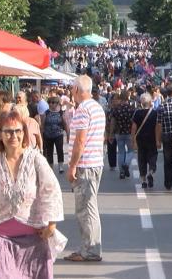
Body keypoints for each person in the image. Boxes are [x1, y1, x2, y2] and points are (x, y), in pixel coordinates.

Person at [0, 110, 65, 278]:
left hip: (34, 238)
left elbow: (51, 190)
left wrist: (52, 225)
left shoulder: (35, 159)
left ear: (24, 133)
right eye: (8, 131)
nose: (14, 136)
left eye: (18, 131)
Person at [64, 75, 105, 262]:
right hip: (95, 162)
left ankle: (90, 250)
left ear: (76, 90)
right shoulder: (97, 107)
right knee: (90, 207)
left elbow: (80, 140)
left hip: (85, 164)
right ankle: (90, 247)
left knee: (85, 209)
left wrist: (72, 166)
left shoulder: (83, 110)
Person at [132, 92, 158, 189]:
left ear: (141, 103)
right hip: (152, 139)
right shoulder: (154, 113)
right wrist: (158, 140)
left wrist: (133, 140)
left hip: (140, 140)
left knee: (141, 159)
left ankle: (143, 180)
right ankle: (151, 172)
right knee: (153, 156)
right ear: (150, 102)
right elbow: (157, 128)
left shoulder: (137, 113)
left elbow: (134, 128)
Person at [111, 89, 136, 179]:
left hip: (119, 133)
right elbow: (134, 123)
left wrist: (111, 133)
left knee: (121, 152)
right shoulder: (131, 109)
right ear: (127, 98)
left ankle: (121, 172)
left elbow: (113, 122)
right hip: (129, 132)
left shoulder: (116, 109)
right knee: (131, 150)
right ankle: (126, 164)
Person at [42, 96, 69, 173]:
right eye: (49, 102)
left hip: (58, 134)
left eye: (53, 102)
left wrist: (67, 134)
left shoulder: (61, 113)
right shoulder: (46, 113)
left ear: (57, 104)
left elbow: (65, 124)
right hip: (48, 135)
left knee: (59, 150)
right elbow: (42, 125)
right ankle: (51, 168)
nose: (51, 104)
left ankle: (60, 166)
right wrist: (41, 134)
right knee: (49, 152)